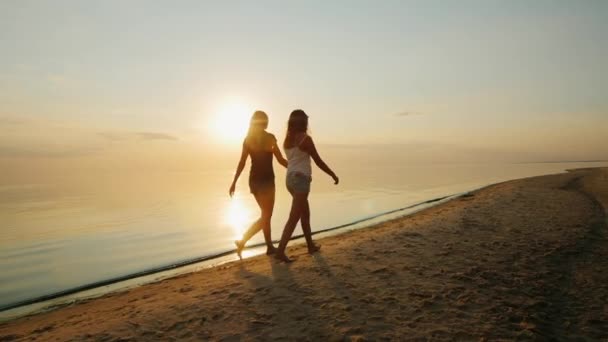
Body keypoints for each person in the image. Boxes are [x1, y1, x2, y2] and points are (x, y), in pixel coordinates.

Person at [275, 109, 339, 263]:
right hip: (301, 180)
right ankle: (280, 250)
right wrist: (332, 174)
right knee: (294, 217)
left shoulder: (287, 140)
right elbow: (318, 161)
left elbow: (290, 161)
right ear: (304, 122)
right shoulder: (305, 139)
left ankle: (310, 245)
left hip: (289, 179)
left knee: (305, 214)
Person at [229, 110, 288, 259]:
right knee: (266, 216)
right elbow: (280, 159)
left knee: (266, 215)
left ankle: (267, 246)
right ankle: (245, 240)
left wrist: (235, 182)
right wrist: (234, 181)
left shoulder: (250, 139)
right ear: (264, 122)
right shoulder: (268, 138)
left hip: (255, 181)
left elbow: (243, 162)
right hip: (265, 181)